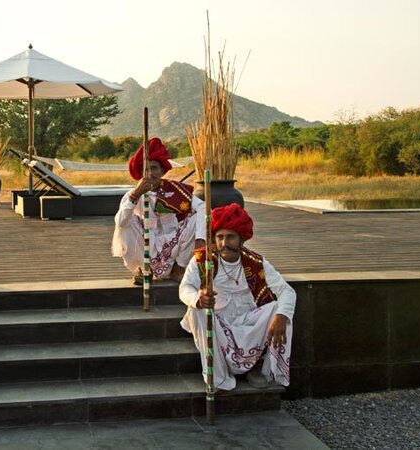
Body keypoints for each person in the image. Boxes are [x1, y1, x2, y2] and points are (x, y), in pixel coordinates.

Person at [179, 203, 296, 391]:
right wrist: (198, 299)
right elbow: (185, 288)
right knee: (196, 310)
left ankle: (259, 368)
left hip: (247, 321)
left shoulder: (256, 262)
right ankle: (217, 375)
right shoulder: (203, 260)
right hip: (217, 322)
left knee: (280, 309)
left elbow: (287, 291)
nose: (224, 243)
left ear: (242, 239)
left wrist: (282, 316)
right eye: (220, 237)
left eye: (230, 237)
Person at [112, 137, 205, 283]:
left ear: (162, 171)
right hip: (147, 245)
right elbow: (120, 222)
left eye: (154, 168)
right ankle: (143, 270)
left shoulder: (176, 190)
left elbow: (203, 207)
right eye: (145, 169)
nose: (150, 173)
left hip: (174, 245)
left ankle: (179, 270)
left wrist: (200, 238)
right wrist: (135, 195)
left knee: (196, 219)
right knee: (125, 219)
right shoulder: (133, 194)